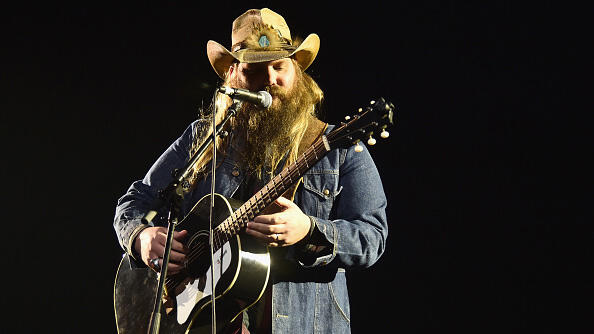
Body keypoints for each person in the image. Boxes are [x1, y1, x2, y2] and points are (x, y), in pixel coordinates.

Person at [114, 8, 388, 334]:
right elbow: (136, 200)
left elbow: (373, 236)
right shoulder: (205, 139)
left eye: (279, 67)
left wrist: (309, 231)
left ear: (296, 70)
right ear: (234, 75)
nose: (270, 80)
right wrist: (141, 237)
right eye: (256, 70)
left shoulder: (339, 147)